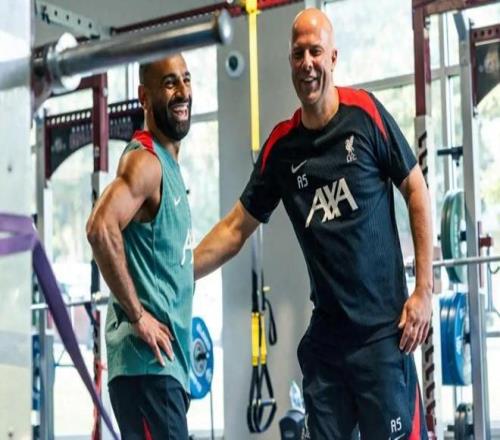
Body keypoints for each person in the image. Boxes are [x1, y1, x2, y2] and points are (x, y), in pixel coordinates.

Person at [194, 8, 432, 440]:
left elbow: (416, 189)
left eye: (316, 52)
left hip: (384, 336)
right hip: (328, 344)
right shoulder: (283, 148)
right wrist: (179, 275)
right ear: (290, 61)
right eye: (298, 53)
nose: (307, 63)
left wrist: (424, 292)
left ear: (333, 58)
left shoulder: (365, 114)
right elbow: (235, 228)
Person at [87, 54, 194, 439]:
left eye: (186, 79)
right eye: (169, 83)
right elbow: (100, 228)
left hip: (162, 373)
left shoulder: (168, 166)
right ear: (144, 97)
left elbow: (181, 262)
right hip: (146, 370)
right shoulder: (146, 162)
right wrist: (138, 316)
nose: (182, 91)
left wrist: (244, 222)